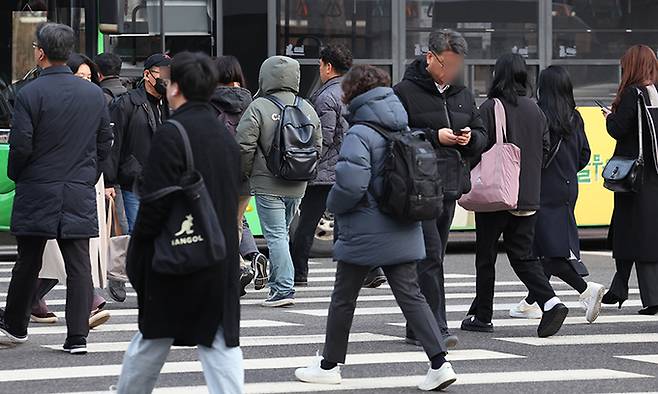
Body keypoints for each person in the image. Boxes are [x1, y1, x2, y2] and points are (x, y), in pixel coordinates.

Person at [294, 65, 457, 391]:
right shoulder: (401, 124)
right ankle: (440, 363)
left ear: (353, 94)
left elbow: (352, 185)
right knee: (412, 296)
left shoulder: (360, 132)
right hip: (402, 224)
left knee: (343, 299)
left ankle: (329, 365)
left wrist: (333, 205)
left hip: (365, 231)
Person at [116, 52, 243, 393]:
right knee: (220, 341)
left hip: (176, 257)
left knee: (153, 336)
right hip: (218, 255)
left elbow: (154, 204)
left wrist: (138, 253)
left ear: (176, 89)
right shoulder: (225, 137)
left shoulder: (172, 133)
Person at [0, 23, 112, 354]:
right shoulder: (93, 93)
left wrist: (20, 175)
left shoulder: (29, 93)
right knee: (79, 264)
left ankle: (16, 326)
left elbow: (20, 145)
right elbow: (105, 142)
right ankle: (77, 337)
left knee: (28, 260)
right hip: (77, 187)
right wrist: (88, 173)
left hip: (37, 187)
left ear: (40, 52)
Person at [463, 53, 568, 338]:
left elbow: (476, 148)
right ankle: (551, 302)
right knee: (522, 256)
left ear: (498, 75)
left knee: (486, 257)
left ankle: (482, 315)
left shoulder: (490, 107)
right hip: (528, 196)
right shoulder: (537, 110)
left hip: (496, 195)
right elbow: (545, 151)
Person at [393, 29, 487, 349]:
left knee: (434, 256)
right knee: (431, 255)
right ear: (429, 57)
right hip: (418, 187)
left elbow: (482, 133)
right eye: (447, 63)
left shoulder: (463, 93)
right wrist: (436, 136)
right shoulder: (404, 91)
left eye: (457, 64)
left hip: (449, 185)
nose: (452, 70)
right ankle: (436, 326)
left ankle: (415, 325)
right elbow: (397, 135)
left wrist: (470, 139)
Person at [509, 65, 605, 323]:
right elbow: (585, 154)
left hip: (541, 188)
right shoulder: (575, 117)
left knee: (544, 249)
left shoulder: (538, 113)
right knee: (546, 246)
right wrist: (568, 171)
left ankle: (585, 290)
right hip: (567, 188)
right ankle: (532, 301)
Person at [29, 53, 113, 329]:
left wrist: (95, 176)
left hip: (84, 184)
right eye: (81, 77)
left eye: (90, 78)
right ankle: (84, 305)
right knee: (60, 253)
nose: (86, 83)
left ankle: (32, 301)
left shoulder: (94, 104)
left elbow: (105, 144)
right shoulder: (46, 100)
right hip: (56, 186)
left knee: (67, 252)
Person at [236, 56, 321, 307]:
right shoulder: (306, 106)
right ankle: (276, 284)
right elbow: (318, 144)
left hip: (267, 182)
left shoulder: (259, 106)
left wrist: (248, 173)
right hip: (298, 182)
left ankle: (283, 289)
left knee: (275, 236)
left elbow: (244, 145)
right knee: (281, 234)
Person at [290, 44, 355, 287]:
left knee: (306, 225)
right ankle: (368, 270)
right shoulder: (353, 92)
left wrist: (309, 161)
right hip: (349, 170)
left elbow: (324, 138)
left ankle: (299, 274)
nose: (319, 69)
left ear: (328, 66)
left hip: (325, 173)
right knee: (349, 224)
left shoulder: (326, 96)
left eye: (319, 65)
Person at [601, 45, 658, 315]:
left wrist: (609, 117)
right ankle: (618, 287)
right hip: (653, 174)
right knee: (627, 230)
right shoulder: (654, 93)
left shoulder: (632, 94)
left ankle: (652, 298)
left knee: (639, 234)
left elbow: (617, 129)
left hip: (633, 176)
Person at [211, 55, 269, 295]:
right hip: (244, 177)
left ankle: (234, 269)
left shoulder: (208, 101)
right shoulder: (251, 103)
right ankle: (238, 267)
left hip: (215, 174)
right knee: (234, 224)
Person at [110, 53, 171, 233]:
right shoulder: (127, 104)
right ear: (147, 75)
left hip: (163, 184)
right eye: (162, 73)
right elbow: (114, 144)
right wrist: (109, 181)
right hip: (134, 183)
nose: (166, 79)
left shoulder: (169, 105)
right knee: (139, 235)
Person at [95, 51, 131, 302]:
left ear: (98, 73)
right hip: (134, 170)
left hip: (114, 173)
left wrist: (107, 180)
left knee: (120, 226)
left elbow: (107, 144)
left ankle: (117, 276)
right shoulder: (132, 95)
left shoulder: (102, 98)